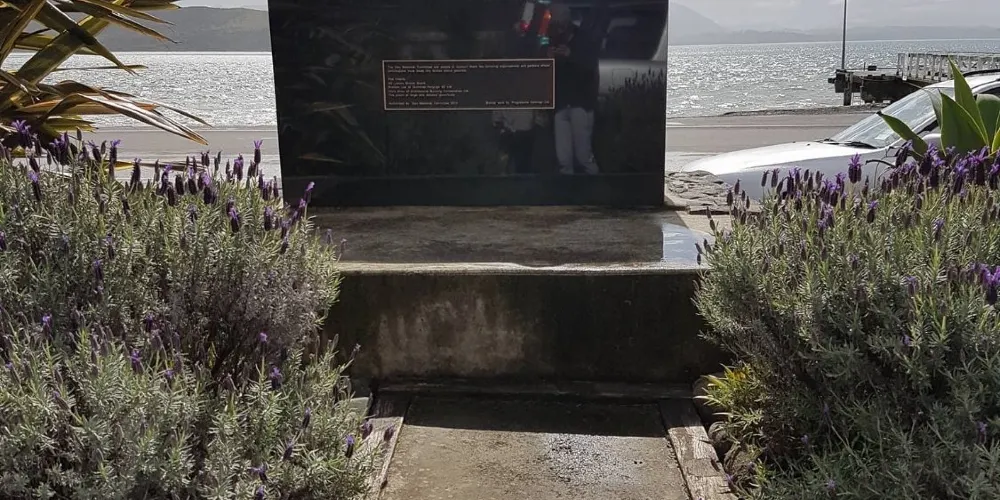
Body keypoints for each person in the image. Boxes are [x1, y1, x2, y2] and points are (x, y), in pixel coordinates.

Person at [547, 3, 601, 175]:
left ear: (567, 20)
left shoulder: (583, 39)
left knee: (583, 156)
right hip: (561, 104)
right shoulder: (553, 39)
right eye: (555, 23)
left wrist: (570, 55)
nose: (558, 28)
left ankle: (595, 186)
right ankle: (567, 189)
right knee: (563, 160)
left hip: (580, 104)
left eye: (559, 23)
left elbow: (589, 67)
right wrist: (549, 58)